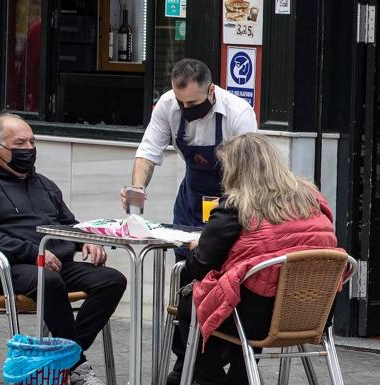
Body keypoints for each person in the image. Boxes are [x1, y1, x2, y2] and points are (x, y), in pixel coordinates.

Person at [0, 114, 127, 385]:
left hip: (56, 264)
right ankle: (76, 366)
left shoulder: (44, 185)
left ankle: (64, 356)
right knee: (48, 280)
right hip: (3, 270)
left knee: (112, 280)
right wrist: (32, 252)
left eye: (32, 142)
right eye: (20, 143)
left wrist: (84, 239)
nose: (29, 149)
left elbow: (68, 223)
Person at [123, 58, 257, 384]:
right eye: (181, 102)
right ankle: (188, 364)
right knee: (189, 282)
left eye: (193, 103)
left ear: (211, 90)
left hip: (231, 202)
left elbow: (252, 173)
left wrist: (226, 223)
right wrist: (137, 189)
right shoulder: (168, 106)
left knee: (224, 282)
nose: (186, 108)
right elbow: (148, 151)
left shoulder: (238, 113)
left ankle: (207, 365)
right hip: (191, 203)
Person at [177, 133, 341, 385]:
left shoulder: (237, 206)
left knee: (192, 302)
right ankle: (240, 379)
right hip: (312, 312)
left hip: (257, 319)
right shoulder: (312, 198)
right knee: (251, 288)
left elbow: (200, 265)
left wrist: (199, 246)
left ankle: (209, 380)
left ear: (235, 170)